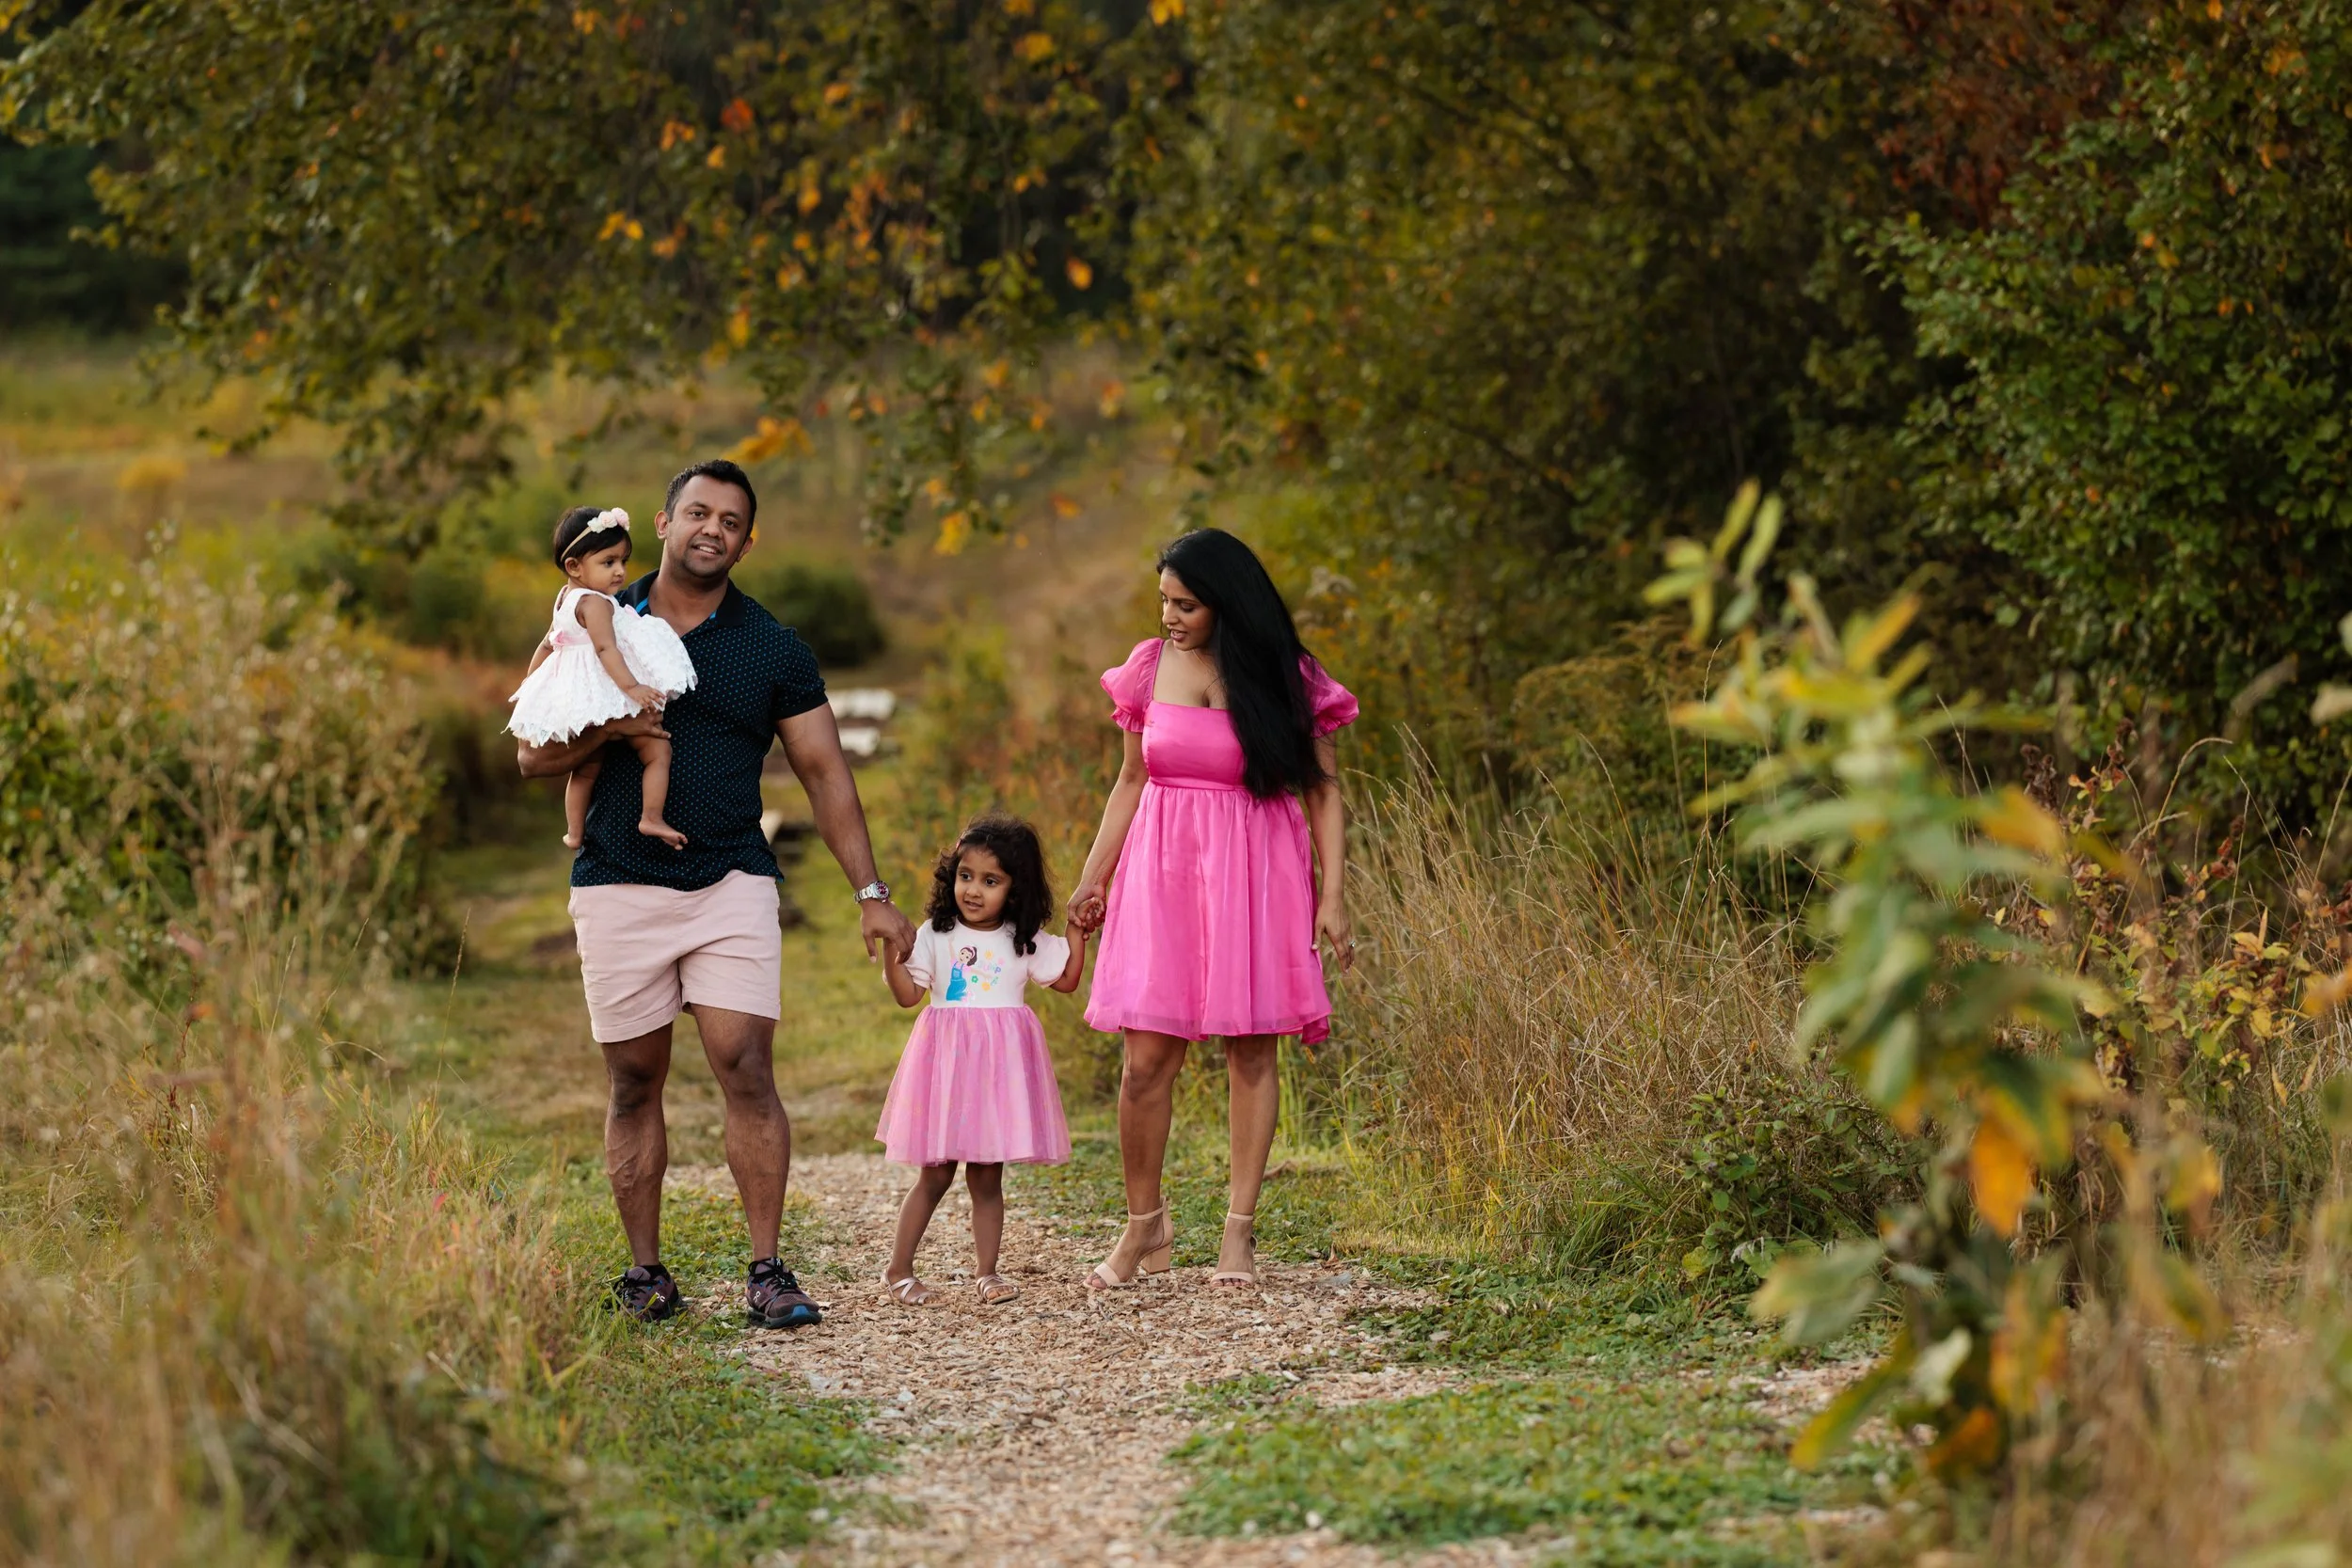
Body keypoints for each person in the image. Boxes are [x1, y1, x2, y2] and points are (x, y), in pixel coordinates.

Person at [516, 458, 915, 1328]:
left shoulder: (773, 646)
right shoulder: (591, 620)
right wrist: (615, 726)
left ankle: (768, 1269)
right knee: (633, 1080)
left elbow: (824, 771)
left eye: (730, 521)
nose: (712, 529)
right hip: (616, 878)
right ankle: (645, 1273)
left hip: (731, 875)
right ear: (662, 523)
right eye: (697, 512)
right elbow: (531, 755)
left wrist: (871, 891)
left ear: (745, 540)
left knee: (745, 1063)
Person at [1068, 528, 1358, 1291]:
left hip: (1255, 871)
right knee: (1145, 1062)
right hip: (1161, 871)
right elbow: (1130, 781)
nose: (1169, 615)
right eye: (1163, 599)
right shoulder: (1147, 668)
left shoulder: (1286, 675)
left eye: (1186, 604)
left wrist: (1333, 896)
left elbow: (1323, 790)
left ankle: (1239, 1232)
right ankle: (1145, 1228)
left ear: (1226, 603)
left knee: (1251, 1050)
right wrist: (1092, 878)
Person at [874, 816, 1082, 1307]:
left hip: (995, 1077)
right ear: (953, 877)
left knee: (987, 1176)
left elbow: (1068, 979)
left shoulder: (1021, 938)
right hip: (946, 1071)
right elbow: (908, 996)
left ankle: (987, 1272)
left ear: (1015, 889)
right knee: (937, 1172)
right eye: (966, 876)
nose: (974, 890)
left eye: (991, 881)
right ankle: (898, 1268)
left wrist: (1076, 931)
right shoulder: (935, 933)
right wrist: (891, 950)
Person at [506, 506, 695, 851]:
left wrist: (529, 687)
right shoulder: (595, 604)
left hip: (581, 698)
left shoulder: (564, 599)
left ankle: (574, 832)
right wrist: (633, 688)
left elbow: (547, 645)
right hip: (608, 693)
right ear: (574, 567)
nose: (620, 572)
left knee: (586, 768)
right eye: (608, 563)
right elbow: (608, 650)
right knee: (657, 750)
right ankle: (651, 816)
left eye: (623, 561)